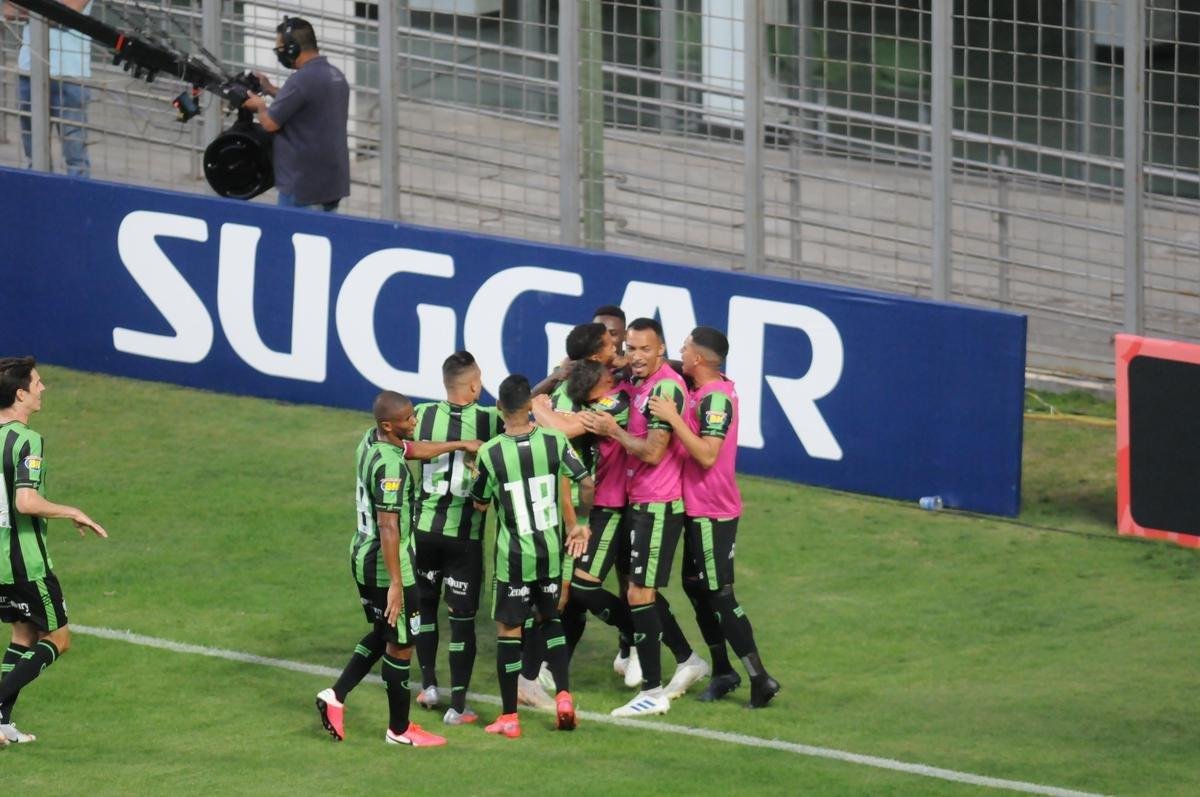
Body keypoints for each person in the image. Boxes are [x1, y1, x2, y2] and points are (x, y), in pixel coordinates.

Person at [313, 390, 480, 747]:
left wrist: (459, 444)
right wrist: (395, 583)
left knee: (383, 631)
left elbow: (411, 449)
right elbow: (388, 525)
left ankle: (335, 696)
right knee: (402, 644)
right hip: (387, 565)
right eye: (407, 419)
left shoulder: (370, 440)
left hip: (362, 553)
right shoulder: (390, 468)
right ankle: (399, 730)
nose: (414, 421)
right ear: (389, 425)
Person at [580, 318, 709, 717]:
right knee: (638, 594)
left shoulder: (665, 388)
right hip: (640, 502)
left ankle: (653, 691)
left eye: (644, 349)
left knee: (639, 593)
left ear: (661, 350)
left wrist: (613, 432)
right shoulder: (640, 382)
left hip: (658, 504)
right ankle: (682, 663)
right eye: (631, 348)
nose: (635, 356)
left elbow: (653, 452)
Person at [649, 328, 781, 708]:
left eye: (686, 347)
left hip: (711, 511)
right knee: (696, 588)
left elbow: (707, 455)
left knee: (720, 595)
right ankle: (723, 670)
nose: (681, 350)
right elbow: (667, 364)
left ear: (699, 358)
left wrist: (673, 419)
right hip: (698, 508)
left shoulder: (716, 399)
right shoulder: (703, 387)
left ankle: (760, 677)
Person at [469, 375, 593, 738]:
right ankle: (564, 698)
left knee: (509, 632)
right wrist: (582, 524)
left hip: (514, 557)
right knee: (550, 620)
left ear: (499, 408)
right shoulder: (555, 441)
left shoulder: (491, 452)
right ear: (529, 406)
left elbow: (479, 503)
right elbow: (586, 482)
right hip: (549, 552)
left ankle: (509, 716)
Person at [0, 357, 107, 746]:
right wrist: (72, 511)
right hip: (25, 563)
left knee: (24, 633)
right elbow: (25, 501)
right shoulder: (26, 440)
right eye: (37, 383)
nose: (43, 388)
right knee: (59, 639)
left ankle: (1, 722)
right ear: (20, 394)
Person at [409, 352, 502, 725]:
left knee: (426, 607)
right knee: (462, 619)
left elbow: (404, 447)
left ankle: (428, 685)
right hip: (464, 538)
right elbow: (520, 412)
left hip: (424, 532)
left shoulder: (422, 415)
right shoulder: (491, 419)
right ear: (475, 385)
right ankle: (457, 706)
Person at [242, 16, 350, 211]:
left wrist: (259, 106)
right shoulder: (335, 75)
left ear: (292, 48)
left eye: (280, 49)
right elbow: (306, 103)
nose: (280, 54)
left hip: (303, 186)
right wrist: (271, 89)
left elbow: (270, 123)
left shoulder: (301, 80)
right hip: (331, 185)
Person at [8, 0, 93, 177]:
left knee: (75, 155)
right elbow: (9, 11)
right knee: (34, 155)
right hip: (29, 70)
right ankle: (37, 192)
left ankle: (77, 193)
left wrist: (33, 10)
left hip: (70, 74)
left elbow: (67, 14)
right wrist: (46, 11)